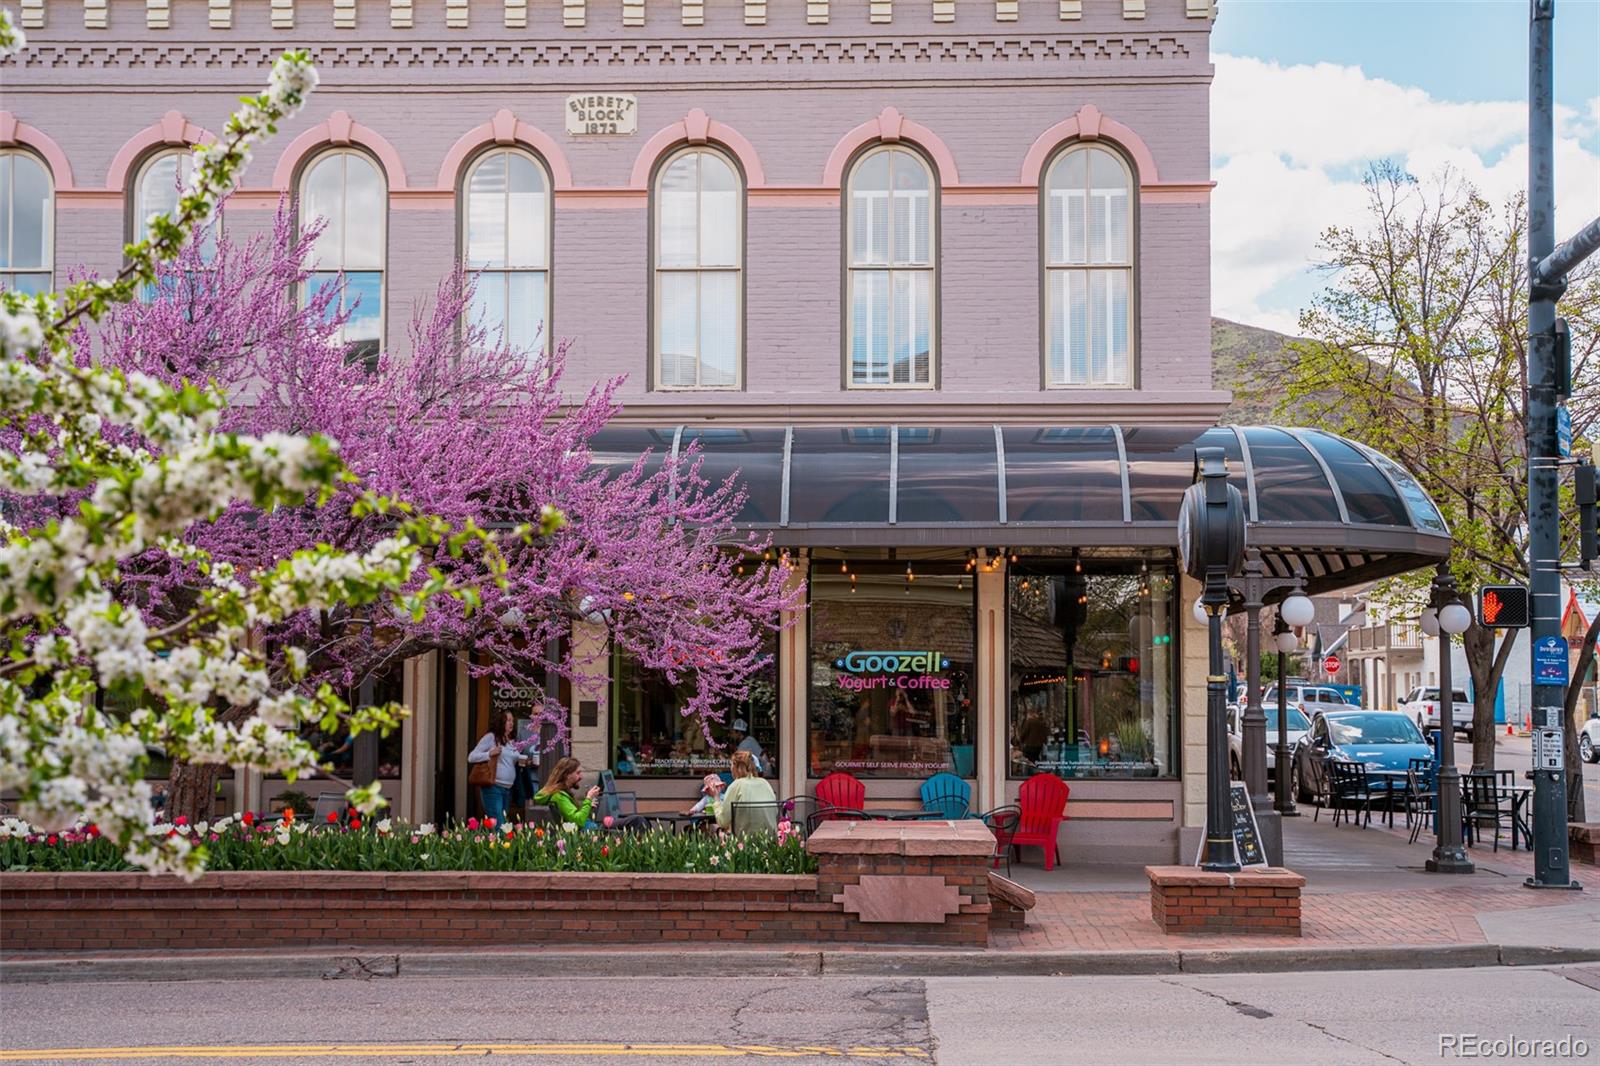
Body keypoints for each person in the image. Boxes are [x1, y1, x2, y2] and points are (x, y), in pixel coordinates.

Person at [466, 711, 529, 825]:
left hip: (508, 789)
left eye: (512, 721)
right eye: (508, 720)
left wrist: (523, 760)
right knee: (498, 825)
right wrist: (490, 753)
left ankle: (497, 842)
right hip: (494, 788)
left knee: (503, 824)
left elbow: (509, 762)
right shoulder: (491, 737)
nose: (511, 723)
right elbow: (471, 757)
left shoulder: (511, 741)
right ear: (501, 722)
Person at [715, 750, 778, 835]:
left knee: (717, 832)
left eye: (731, 765)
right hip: (769, 840)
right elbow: (775, 812)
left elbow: (722, 821)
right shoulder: (765, 783)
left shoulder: (736, 785)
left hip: (745, 844)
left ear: (735, 766)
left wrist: (716, 797)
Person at [534, 755, 601, 827]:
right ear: (567, 775)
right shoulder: (559, 796)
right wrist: (589, 798)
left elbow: (572, 816)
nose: (581, 777)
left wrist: (587, 806)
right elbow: (578, 821)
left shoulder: (562, 793)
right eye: (578, 773)